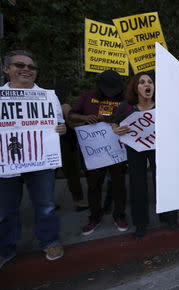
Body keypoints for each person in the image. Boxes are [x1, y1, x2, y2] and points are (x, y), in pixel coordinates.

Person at [0, 50, 67, 268]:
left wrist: (62, 128)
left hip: (41, 161)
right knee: (5, 209)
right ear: (6, 69)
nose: (26, 69)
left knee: (46, 205)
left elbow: (58, 124)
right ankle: (5, 248)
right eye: (20, 65)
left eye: (31, 67)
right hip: (6, 163)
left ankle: (49, 241)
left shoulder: (49, 97)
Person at [112, 71, 179, 238]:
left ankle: (169, 217)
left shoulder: (162, 105)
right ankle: (140, 224)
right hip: (135, 149)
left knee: (164, 181)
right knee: (137, 185)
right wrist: (116, 129)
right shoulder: (126, 107)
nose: (147, 84)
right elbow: (114, 123)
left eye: (150, 82)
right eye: (142, 82)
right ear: (136, 88)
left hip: (159, 148)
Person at [69, 70, 128, 235]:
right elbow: (71, 115)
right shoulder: (87, 97)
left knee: (119, 185)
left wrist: (115, 121)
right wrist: (85, 118)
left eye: (114, 90)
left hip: (117, 151)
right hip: (94, 152)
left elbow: (132, 117)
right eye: (107, 89)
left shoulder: (124, 98)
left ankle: (120, 215)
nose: (111, 93)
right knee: (94, 185)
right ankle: (94, 216)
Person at [54, 81, 89, 211]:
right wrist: (87, 122)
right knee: (72, 173)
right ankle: (79, 201)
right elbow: (72, 124)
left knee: (51, 174)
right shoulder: (65, 106)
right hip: (67, 143)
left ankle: (49, 201)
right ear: (67, 94)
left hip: (53, 144)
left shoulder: (50, 105)